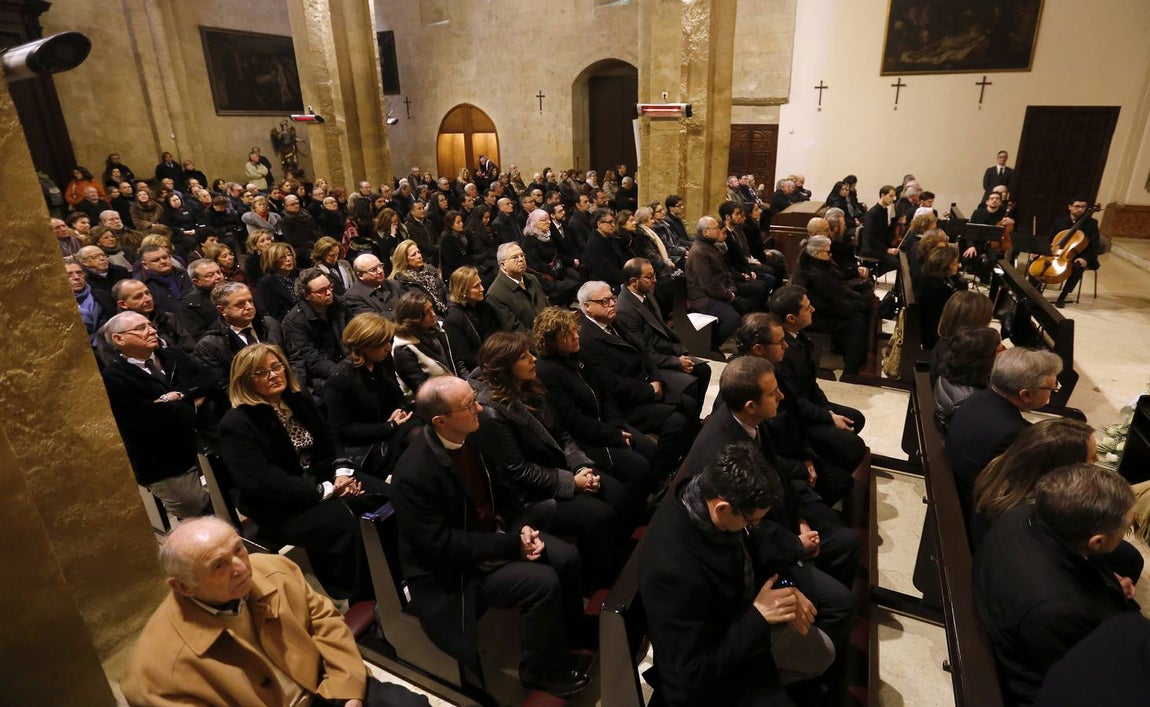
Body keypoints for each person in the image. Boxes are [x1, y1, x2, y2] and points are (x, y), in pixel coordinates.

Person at [390, 376, 591, 697]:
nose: (480, 408)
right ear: (440, 421)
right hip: (456, 571)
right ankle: (538, 671)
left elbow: (501, 491)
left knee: (567, 557)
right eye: (469, 405)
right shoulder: (413, 474)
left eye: (475, 400)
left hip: (497, 537)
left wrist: (521, 526)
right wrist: (514, 544)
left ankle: (574, 637)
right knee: (542, 583)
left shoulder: (472, 435)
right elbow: (442, 546)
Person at [121, 517, 429, 707]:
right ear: (183, 587)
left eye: (238, 549)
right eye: (218, 565)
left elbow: (325, 622)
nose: (242, 568)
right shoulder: (157, 673)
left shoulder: (273, 569)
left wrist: (347, 691)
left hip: (329, 687)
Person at [640, 441, 831, 706]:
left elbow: (753, 552)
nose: (752, 527)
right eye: (750, 521)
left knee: (822, 651)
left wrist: (785, 589)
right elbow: (692, 670)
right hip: (707, 676)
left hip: (736, 622)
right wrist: (759, 615)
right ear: (722, 509)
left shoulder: (708, 495)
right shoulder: (673, 569)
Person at [219, 344, 388, 600]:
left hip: (324, 479)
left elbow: (329, 436)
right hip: (279, 504)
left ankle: (397, 573)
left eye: (276, 367)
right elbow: (261, 481)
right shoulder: (237, 423)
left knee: (387, 496)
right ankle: (365, 596)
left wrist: (340, 472)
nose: (274, 375)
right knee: (346, 520)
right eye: (261, 372)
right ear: (245, 381)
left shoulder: (297, 398)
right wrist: (326, 491)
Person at [469, 332, 625, 588]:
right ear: (504, 367)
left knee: (617, 493)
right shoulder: (492, 414)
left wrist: (582, 466)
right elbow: (518, 471)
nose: (533, 360)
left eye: (531, 353)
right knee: (601, 515)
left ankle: (613, 565)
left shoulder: (531, 385)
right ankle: (598, 586)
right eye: (523, 357)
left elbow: (562, 434)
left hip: (559, 469)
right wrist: (571, 482)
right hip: (529, 498)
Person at [974, 465, 1138, 705]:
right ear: (1097, 541)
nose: (1126, 534)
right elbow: (1086, 670)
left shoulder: (1023, 515)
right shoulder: (1057, 608)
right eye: (1126, 528)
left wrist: (1107, 584)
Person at [970, 418, 1146, 588]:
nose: (1097, 462)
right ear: (1065, 467)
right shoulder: (1041, 509)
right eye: (1091, 458)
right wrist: (1104, 581)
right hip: (1027, 574)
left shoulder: (1006, 467)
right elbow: (1063, 555)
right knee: (1130, 557)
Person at [100, 311, 212, 517]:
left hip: (202, 441)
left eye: (150, 325)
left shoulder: (173, 355)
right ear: (119, 339)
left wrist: (177, 395)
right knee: (195, 509)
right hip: (162, 459)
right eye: (141, 328)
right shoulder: (112, 378)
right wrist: (192, 404)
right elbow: (145, 417)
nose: (152, 330)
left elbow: (208, 379)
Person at [946, 347, 1063, 519]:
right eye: (1052, 389)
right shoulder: (1013, 433)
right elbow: (1020, 486)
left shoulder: (978, 398)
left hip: (954, 477)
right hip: (971, 506)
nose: (1052, 393)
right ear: (1026, 395)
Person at [768, 286, 868, 466]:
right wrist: (828, 417)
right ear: (791, 318)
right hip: (797, 418)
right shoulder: (782, 352)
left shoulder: (798, 336)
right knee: (855, 446)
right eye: (807, 308)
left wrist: (827, 410)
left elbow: (811, 383)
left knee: (856, 419)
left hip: (810, 404)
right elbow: (794, 402)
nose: (813, 309)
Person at [325, 313, 413, 479]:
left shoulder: (384, 362)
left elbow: (399, 397)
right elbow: (342, 430)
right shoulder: (340, 379)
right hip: (368, 445)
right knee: (418, 438)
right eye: (382, 344)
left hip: (394, 429)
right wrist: (389, 427)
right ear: (364, 346)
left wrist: (400, 411)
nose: (388, 347)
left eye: (389, 341)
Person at [616, 257, 712, 398]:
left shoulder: (646, 294)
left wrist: (682, 353)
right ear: (633, 281)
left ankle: (694, 419)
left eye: (654, 275)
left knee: (704, 370)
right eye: (649, 277)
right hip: (652, 364)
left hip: (666, 351)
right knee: (691, 385)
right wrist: (676, 362)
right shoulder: (625, 310)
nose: (655, 280)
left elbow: (663, 330)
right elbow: (643, 351)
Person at [792, 235, 871, 375]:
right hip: (815, 315)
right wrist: (850, 307)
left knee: (865, 305)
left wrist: (855, 299)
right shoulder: (810, 273)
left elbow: (838, 286)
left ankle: (854, 355)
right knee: (856, 323)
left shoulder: (820, 264)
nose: (831, 254)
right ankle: (851, 371)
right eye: (828, 252)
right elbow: (823, 303)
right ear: (816, 253)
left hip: (830, 307)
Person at [281, 268, 352, 397]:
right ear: (306, 295)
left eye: (330, 287)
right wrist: (347, 371)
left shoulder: (339, 304)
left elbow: (355, 333)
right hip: (322, 376)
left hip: (349, 361)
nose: (329, 293)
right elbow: (312, 361)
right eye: (321, 291)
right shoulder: (294, 321)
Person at [685, 215, 749, 346]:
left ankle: (742, 343)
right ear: (705, 232)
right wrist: (728, 295)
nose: (719, 231)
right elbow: (708, 284)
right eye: (716, 229)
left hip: (716, 293)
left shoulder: (712, 247)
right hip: (702, 298)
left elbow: (726, 272)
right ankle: (712, 346)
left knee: (745, 306)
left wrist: (731, 289)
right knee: (733, 318)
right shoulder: (699, 252)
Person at [392, 291, 460, 396]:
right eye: (427, 312)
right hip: (433, 401)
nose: (433, 314)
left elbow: (456, 362)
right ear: (414, 318)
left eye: (432, 308)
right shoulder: (403, 349)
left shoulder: (438, 330)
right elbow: (422, 389)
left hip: (455, 388)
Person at [933, 326, 1001, 427]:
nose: (1005, 351)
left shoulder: (949, 372)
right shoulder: (973, 402)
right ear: (984, 361)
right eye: (999, 350)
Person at [1046, 197, 1102, 309]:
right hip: (1058, 253)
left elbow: (1095, 245)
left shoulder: (1091, 224)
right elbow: (1049, 238)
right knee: (1037, 261)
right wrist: (1039, 250)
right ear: (1070, 207)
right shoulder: (1060, 221)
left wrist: (1085, 258)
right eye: (1077, 206)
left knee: (1077, 267)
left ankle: (1062, 296)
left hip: (1080, 255)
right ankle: (1034, 292)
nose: (1080, 209)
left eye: (1083, 207)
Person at [443, 265, 500, 375]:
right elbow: (467, 357)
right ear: (463, 291)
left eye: (480, 284)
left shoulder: (485, 306)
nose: (482, 288)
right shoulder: (453, 320)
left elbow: (498, 332)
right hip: (483, 369)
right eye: (476, 286)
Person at [486, 242, 549, 333]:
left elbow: (548, 307)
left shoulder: (531, 278)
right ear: (503, 265)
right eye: (515, 257)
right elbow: (516, 331)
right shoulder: (495, 295)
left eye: (522, 255)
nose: (521, 259)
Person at [914, 244, 967, 350]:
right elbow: (955, 308)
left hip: (936, 325)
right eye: (954, 263)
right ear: (944, 265)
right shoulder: (937, 288)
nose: (958, 265)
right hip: (936, 333)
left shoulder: (935, 278)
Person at [389, 239, 448, 316]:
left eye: (418, 252)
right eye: (414, 255)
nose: (419, 256)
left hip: (445, 312)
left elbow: (446, 292)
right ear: (405, 260)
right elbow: (413, 310)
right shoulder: (401, 281)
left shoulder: (431, 271)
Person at [860, 185, 899, 276]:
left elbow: (883, 231)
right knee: (895, 262)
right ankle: (870, 274)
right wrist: (886, 250)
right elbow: (869, 237)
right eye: (891, 196)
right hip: (869, 248)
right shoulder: (872, 213)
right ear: (882, 195)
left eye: (894, 196)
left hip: (878, 245)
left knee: (902, 257)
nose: (893, 199)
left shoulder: (884, 210)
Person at [254, 242, 299, 321]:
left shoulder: (300, 275)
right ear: (272, 260)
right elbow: (271, 313)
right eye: (282, 257)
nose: (288, 259)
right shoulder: (266, 283)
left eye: (289, 255)